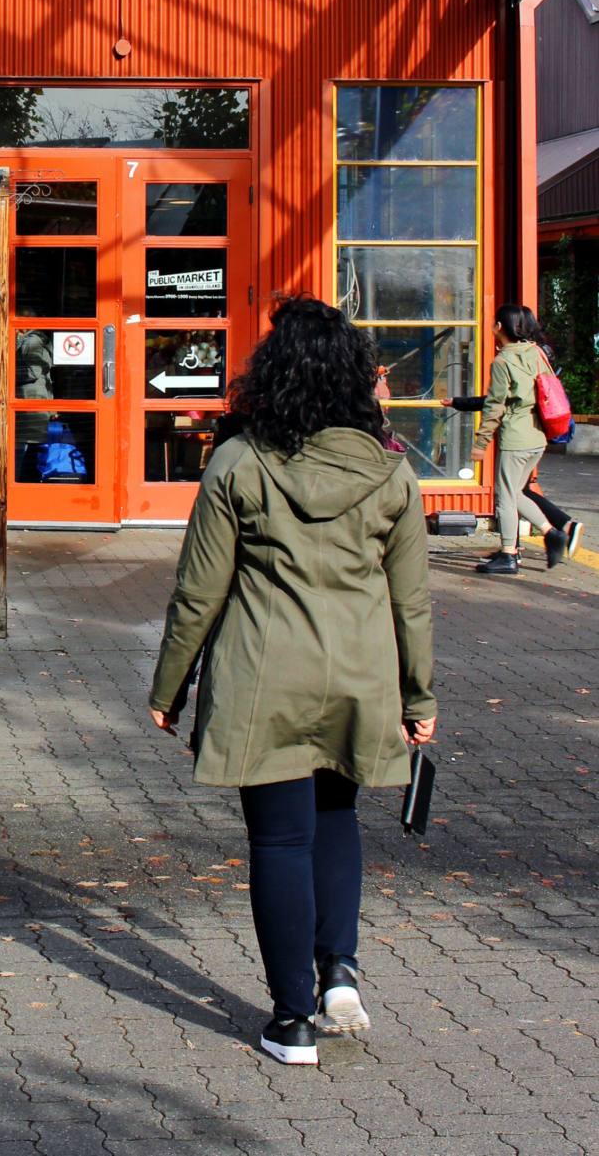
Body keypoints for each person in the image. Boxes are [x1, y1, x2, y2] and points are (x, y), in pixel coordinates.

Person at [148, 298, 436, 1067]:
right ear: (355, 379)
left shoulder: (239, 461)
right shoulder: (391, 468)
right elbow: (411, 599)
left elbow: (199, 590)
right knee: (336, 817)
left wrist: (169, 687)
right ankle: (338, 970)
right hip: (358, 677)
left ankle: (291, 1021)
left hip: (263, 675)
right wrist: (420, 698)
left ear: (271, 375)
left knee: (280, 837)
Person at [446, 306, 582, 572]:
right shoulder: (537, 352)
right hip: (538, 436)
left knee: (504, 497)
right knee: (515, 492)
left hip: (516, 438)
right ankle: (551, 532)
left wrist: (481, 443)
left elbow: (494, 405)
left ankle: (508, 554)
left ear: (499, 327)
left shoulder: (503, 362)